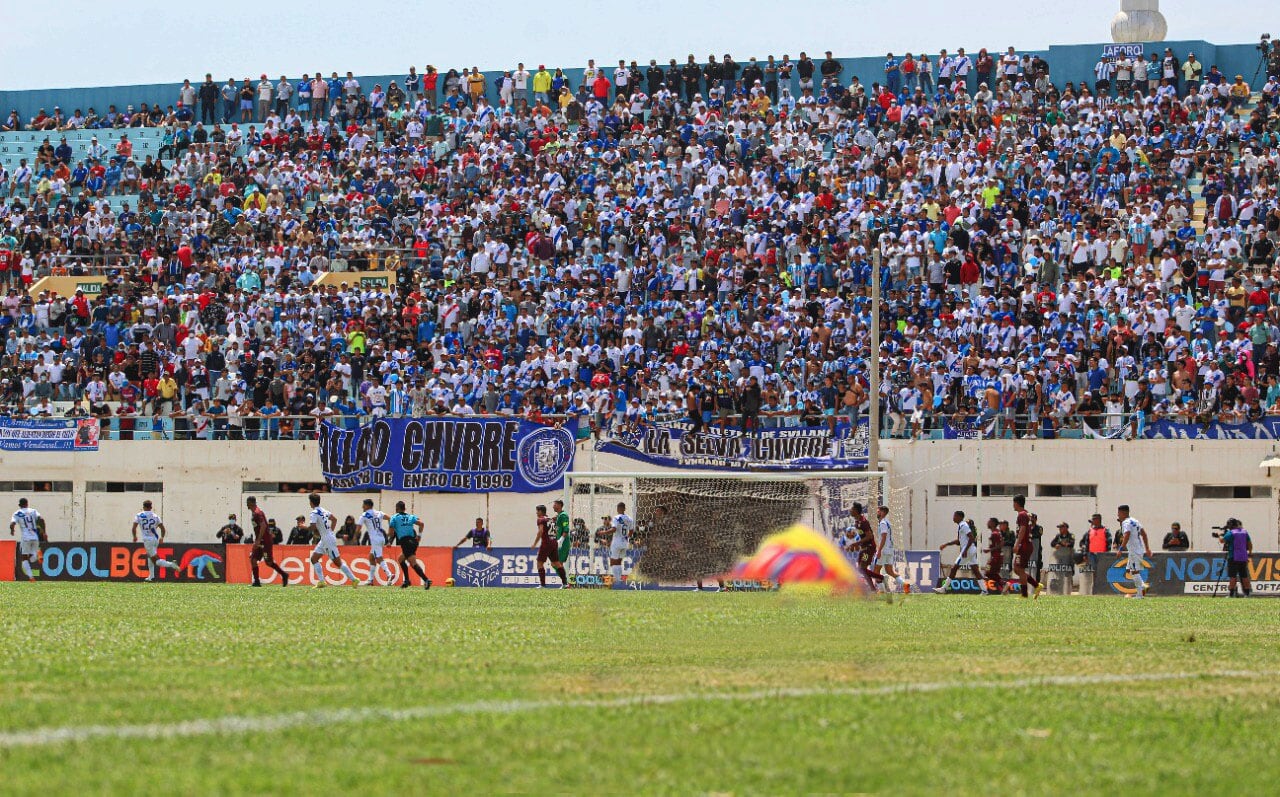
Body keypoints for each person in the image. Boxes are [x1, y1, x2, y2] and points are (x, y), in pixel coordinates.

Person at [307, 493, 357, 588]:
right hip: (325, 538)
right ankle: (322, 581)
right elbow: (334, 519)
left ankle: (354, 579)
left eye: (309, 501)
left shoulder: (314, 513)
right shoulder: (324, 510)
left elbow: (313, 527)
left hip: (327, 540)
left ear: (311, 502)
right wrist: (330, 531)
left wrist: (304, 527)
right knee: (314, 558)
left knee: (338, 562)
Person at [939, 510, 987, 593]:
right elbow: (959, 541)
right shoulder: (961, 526)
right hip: (971, 550)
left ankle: (944, 588)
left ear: (960, 517)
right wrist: (946, 544)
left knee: (954, 568)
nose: (953, 517)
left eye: (955, 516)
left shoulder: (963, 525)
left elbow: (971, 538)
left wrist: (965, 550)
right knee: (975, 570)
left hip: (968, 550)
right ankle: (984, 590)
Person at [132, 499, 180, 582]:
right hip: (155, 539)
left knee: (155, 561)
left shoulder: (139, 515)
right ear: (151, 507)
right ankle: (151, 577)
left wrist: (134, 536)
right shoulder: (155, 516)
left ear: (143, 507)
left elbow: (134, 528)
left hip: (148, 540)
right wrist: (162, 537)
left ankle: (172, 564)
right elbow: (163, 528)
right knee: (150, 556)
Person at [246, 496, 288, 587]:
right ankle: (256, 581)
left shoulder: (258, 513)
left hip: (265, 541)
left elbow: (264, 526)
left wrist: (258, 540)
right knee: (253, 559)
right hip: (260, 541)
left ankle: (284, 575)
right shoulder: (254, 513)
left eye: (247, 503)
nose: (247, 505)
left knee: (268, 562)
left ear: (251, 503)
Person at [390, 501, 430, 589]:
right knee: (401, 559)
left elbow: (391, 532)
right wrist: (419, 535)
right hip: (413, 541)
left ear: (396, 508)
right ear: (405, 509)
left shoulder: (394, 518)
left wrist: (389, 539)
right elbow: (421, 524)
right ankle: (407, 580)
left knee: (413, 563)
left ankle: (426, 580)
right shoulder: (410, 516)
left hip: (405, 542)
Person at [1012, 495, 1044, 598]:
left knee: (1018, 568)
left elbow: (1023, 529)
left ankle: (1025, 594)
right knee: (1018, 569)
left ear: (1017, 503)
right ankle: (1036, 585)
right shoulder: (1027, 514)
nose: (1013, 505)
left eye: (1014, 503)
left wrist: (1017, 544)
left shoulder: (1022, 514)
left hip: (1024, 545)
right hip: (1026, 545)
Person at [1117, 505, 1150, 598]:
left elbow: (1127, 534)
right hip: (1138, 549)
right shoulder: (1135, 521)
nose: (1118, 515)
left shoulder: (1125, 522)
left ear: (1123, 513)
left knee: (1134, 572)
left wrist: (1120, 549)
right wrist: (1147, 548)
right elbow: (1144, 534)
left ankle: (1141, 593)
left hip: (1134, 551)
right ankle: (1142, 588)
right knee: (1130, 570)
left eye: (1119, 513)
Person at [532, 504, 569, 589]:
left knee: (539, 563)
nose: (536, 513)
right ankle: (565, 583)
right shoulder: (551, 520)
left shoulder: (540, 519)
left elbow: (540, 531)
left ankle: (543, 585)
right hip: (554, 542)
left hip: (546, 543)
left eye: (537, 511)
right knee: (557, 563)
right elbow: (555, 529)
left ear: (541, 511)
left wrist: (535, 543)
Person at [358, 498, 393, 586]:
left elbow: (358, 527)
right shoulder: (379, 513)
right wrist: (390, 529)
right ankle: (370, 580)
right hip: (381, 538)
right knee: (371, 557)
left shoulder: (364, 515)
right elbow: (390, 518)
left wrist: (355, 537)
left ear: (367, 505)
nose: (362, 507)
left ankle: (389, 574)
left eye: (364, 505)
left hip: (375, 539)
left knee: (379, 557)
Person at [848, 502, 883, 590]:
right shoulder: (857, 521)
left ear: (856, 511)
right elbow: (863, 536)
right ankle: (873, 589)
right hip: (864, 547)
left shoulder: (863, 522)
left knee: (862, 569)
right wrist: (858, 545)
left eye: (851, 509)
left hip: (869, 547)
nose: (850, 510)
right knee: (861, 569)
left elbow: (869, 536)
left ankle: (881, 578)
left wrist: (856, 544)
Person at [9, 497, 45, 582]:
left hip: (26, 538)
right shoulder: (33, 511)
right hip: (35, 537)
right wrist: (44, 532)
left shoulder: (17, 513)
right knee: (32, 557)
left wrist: (12, 530)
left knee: (24, 558)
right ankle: (37, 554)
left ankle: (31, 577)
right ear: (27, 504)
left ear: (19, 505)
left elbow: (12, 523)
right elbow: (41, 519)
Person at [1220, 519, 1253, 598]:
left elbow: (1222, 541)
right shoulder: (1244, 532)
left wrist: (1220, 535)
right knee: (1244, 576)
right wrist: (1250, 553)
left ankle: (1231, 594)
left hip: (1233, 556)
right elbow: (1250, 544)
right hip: (1243, 557)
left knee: (1233, 576)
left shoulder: (1231, 533)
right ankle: (1247, 593)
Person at [873, 505, 901, 593]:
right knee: (890, 571)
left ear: (882, 512)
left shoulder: (883, 523)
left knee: (876, 570)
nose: (877, 513)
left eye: (878, 511)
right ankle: (905, 585)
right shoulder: (887, 522)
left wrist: (879, 550)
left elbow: (884, 537)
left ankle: (881, 590)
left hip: (884, 550)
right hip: (889, 550)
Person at [608, 502, 635, 585]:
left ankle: (617, 580)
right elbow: (631, 531)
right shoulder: (629, 519)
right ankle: (619, 580)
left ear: (618, 509)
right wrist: (626, 538)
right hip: (624, 543)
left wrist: (603, 532)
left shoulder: (616, 518)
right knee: (619, 562)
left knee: (613, 562)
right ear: (624, 508)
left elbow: (614, 529)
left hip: (616, 542)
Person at [1048, 522, 1076, 595]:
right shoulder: (1058, 536)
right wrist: (1057, 544)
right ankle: (1060, 591)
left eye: (1061, 527)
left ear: (1066, 528)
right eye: (1059, 528)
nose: (1060, 529)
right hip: (1059, 559)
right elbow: (1052, 543)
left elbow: (1071, 544)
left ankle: (1068, 591)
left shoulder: (1071, 535)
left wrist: (1062, 544)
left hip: (1068, 559)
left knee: (1068, 575)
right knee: (1059, 576)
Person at [552, 499, 573, 567]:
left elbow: (566, 528)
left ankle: (564, 577)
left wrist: (561, 539)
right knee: (555, 563)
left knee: (557, 563)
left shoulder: (563, 516)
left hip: (563, 543)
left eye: (554, 505)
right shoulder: (559, 516)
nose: (553, 507)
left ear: (559, 505)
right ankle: (564, 577)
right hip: (559, 542)